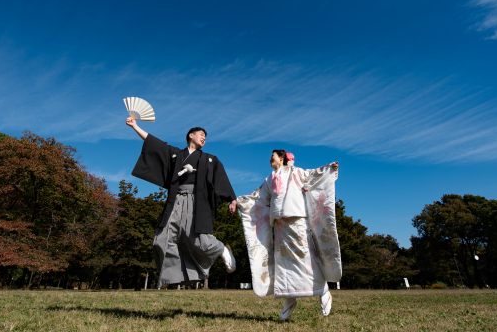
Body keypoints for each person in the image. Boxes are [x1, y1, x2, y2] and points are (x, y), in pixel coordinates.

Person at [126, 117, 238, 288]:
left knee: (200, 241)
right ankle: (173, 277)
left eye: (205, 137)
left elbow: (221, 179)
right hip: (175, 200)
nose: (204, 138)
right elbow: (154, 144)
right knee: (160, 240)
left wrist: (232, 198)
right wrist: (135, 126)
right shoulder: (176, 154)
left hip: (196, 201)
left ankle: (221, 249)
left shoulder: (209, 159)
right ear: (191, 135)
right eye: (201, 135)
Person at [236, 150, 341, 320]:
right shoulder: (269, 179)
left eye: (273, 156)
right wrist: (241, 202)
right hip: (279, 224)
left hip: (297, 220)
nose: (270, 158)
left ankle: (323, 291)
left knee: (304, 256)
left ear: (282, 158)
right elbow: (258, 198)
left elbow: (313, 176)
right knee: (283, 262)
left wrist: (328, 169)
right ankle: (289, 298)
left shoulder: (297, 172)